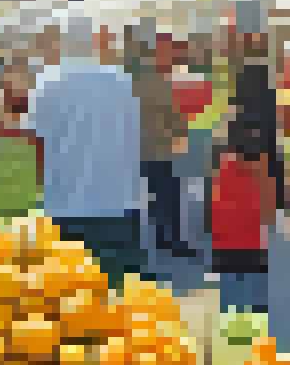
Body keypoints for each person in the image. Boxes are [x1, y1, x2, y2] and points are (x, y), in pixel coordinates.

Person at [28, 23, 147, 279]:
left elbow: (36, 145)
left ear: (60, 45)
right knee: (121, 298)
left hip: (66, 204)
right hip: (120, 202)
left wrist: (42, 189)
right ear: (93, 44)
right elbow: (136, 135)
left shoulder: (48, 82)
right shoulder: (122, 80)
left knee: (71, 300)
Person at [208, 67, 287, 317]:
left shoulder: (228, 131)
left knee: (230, 305)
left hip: (227, 234)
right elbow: (271, 186)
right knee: (257, 307)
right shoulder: (267, 135)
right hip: (255, 232)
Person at [132, 34, 196, 260]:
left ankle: (161, 237)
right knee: (168, 195)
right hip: (156, 148)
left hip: (141, 147)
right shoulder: (156, 81)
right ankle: (172, 240)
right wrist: (180, 129)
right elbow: (171, 113)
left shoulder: (139, 79)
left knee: (155, 195)